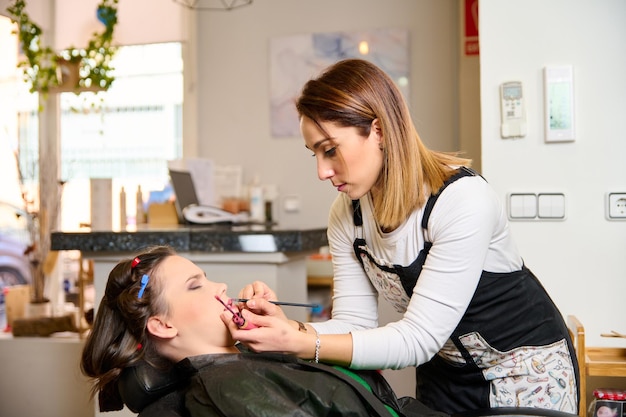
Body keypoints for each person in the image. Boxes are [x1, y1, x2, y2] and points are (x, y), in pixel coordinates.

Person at [223, 58, 580, 415]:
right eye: (314, 153)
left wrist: (300, 342)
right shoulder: (348, 214)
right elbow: (353, 324)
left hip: (525, 374)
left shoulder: (461, 200)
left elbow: (418, 339)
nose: (322, 171)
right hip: (445, 378)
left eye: (330, 149)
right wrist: (285, 327)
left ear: (377, 130)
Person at [80, 245, 446, 417]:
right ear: (162, 325)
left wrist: (288, 332)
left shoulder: (250, 357)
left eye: (207, 277)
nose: (221, 287)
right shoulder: (226, 389)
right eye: (196, 285)